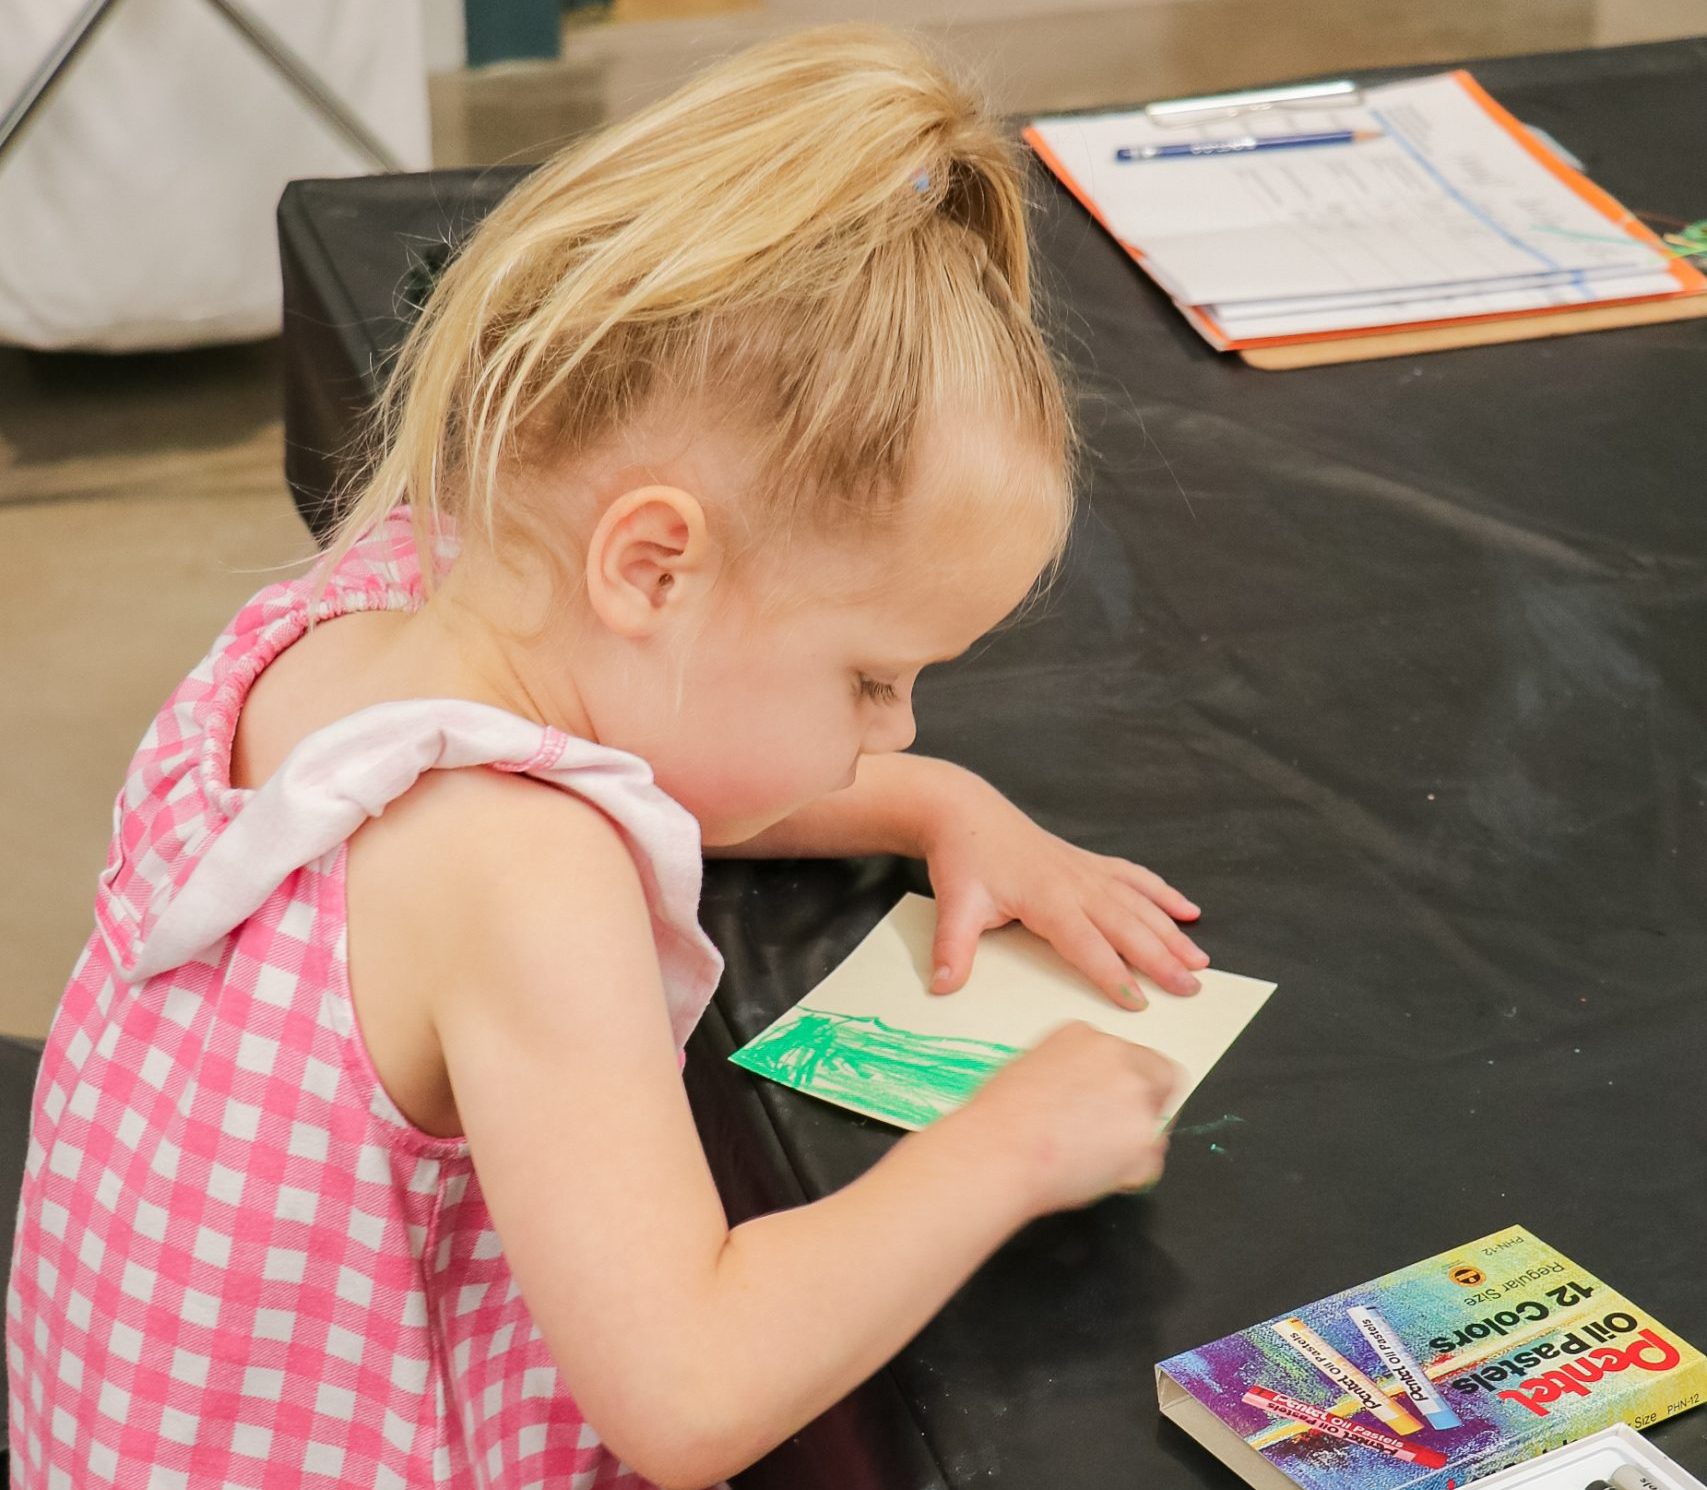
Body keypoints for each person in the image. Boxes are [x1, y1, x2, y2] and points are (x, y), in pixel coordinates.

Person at [7, 26, 1211, 1490]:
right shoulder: (526, 878)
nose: (894, 726)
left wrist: (928, 801)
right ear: (651, 567)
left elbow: (635, 732)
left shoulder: (376, 604)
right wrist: (1006, 1147)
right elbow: (689, 1393)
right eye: (872, 677)